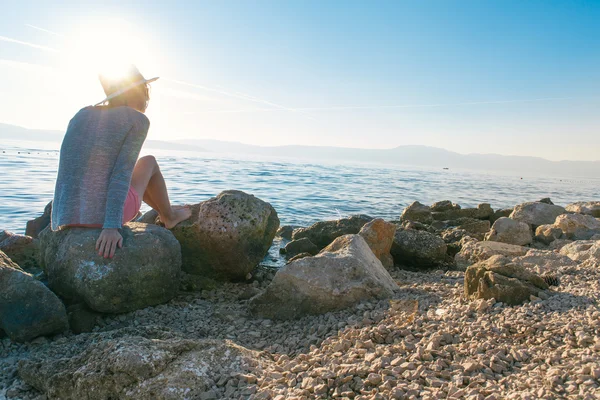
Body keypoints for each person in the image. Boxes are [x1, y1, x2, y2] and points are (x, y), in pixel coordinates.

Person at [50, 65, 191, 259]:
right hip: (102, 218)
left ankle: (163, 209)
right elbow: (121, 173)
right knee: (149, 162)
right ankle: (169, 216)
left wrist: (59, 218)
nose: (147, 95)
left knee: (134, 168)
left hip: (69, 216)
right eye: (144, 89)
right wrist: (111, 226)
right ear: (133, 91)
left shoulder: (81, 115)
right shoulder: (137, 120)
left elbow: (68, 167)